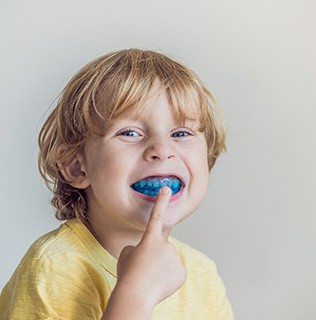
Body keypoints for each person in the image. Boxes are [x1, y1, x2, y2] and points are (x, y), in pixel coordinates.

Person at [0, 49, 234, 319]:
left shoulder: (202, 274)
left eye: (180, 133)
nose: (162, 148)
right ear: (77, 167)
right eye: (130, 132)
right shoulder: (55, 267)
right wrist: (135, 293)